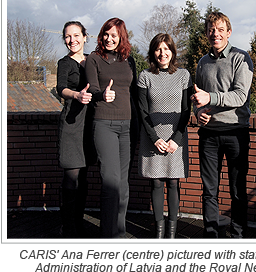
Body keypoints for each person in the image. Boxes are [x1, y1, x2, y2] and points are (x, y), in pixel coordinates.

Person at [191, 12, 254, 238]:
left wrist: (210, 99)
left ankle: (237, 236)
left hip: (236, 133)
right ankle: (211, 236)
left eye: (219, 29)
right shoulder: (202, 62)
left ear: (228, 32)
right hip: (208, 135)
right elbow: (198, 96)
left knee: (237, 191)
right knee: (209, 191)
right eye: (211, 29)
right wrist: (199, 112)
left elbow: (239, 96)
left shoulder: (240, 58)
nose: (214, 34)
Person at [85, 17, 138, 238]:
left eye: (114, 35)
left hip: (127, 126)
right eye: (106, 34)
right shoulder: (94, 59)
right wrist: (101, 95)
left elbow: (134, 93)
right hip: (104, 124)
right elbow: (92, 89)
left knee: (123, 184)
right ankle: (107, 235)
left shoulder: (129, 61)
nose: (109, 39)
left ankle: (120, 231)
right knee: (110, 181)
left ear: (121, 37)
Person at [137, 33, 192, 238]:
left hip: (175, 138)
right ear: (153, 52)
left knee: (173, 182)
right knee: (156, 182)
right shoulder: (144, 76)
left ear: (172, 52)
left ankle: (171, 233)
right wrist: (155, 138)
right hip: (153, 137)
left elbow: (186, 110)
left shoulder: (184, 75)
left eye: (167, 49)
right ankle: (159, 233)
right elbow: (142, 111)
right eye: (159, 49)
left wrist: (176, 140)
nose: (163, 53)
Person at [56, 21, 96, 238]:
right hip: (72, 125)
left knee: (84, 176)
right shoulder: (64, 63)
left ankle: (78, 223)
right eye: (68, 36)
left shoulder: (93, 60)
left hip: (90, 124)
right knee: (71, 177)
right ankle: (68, 227)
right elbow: (60, 87)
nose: (72, 40)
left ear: (84, 36)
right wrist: (76, 94)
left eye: (76, 35)